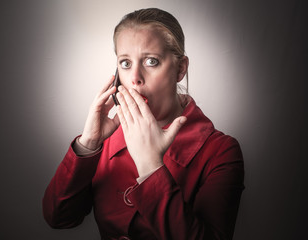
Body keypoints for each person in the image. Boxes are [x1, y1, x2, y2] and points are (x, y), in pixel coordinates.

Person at [43, 8, 244, 240]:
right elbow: (58, 218)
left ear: (180, 68)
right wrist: (88, 144)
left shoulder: (221, 151)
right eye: (125, 63)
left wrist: (151, 167)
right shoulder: (108, 138)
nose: (135, 77)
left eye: (151, 61)